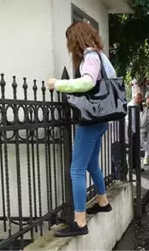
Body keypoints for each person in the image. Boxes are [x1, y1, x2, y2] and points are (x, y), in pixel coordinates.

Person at [46, 21, 113, 237]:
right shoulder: (102, 57)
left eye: (69, 40)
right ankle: (103, 202)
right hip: (102, 118)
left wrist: (59, 84)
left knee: (76, 169)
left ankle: (80, 221)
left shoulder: (91, 56)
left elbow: (87, 83)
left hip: (92, 120)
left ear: (75, 39)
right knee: (92, 163)